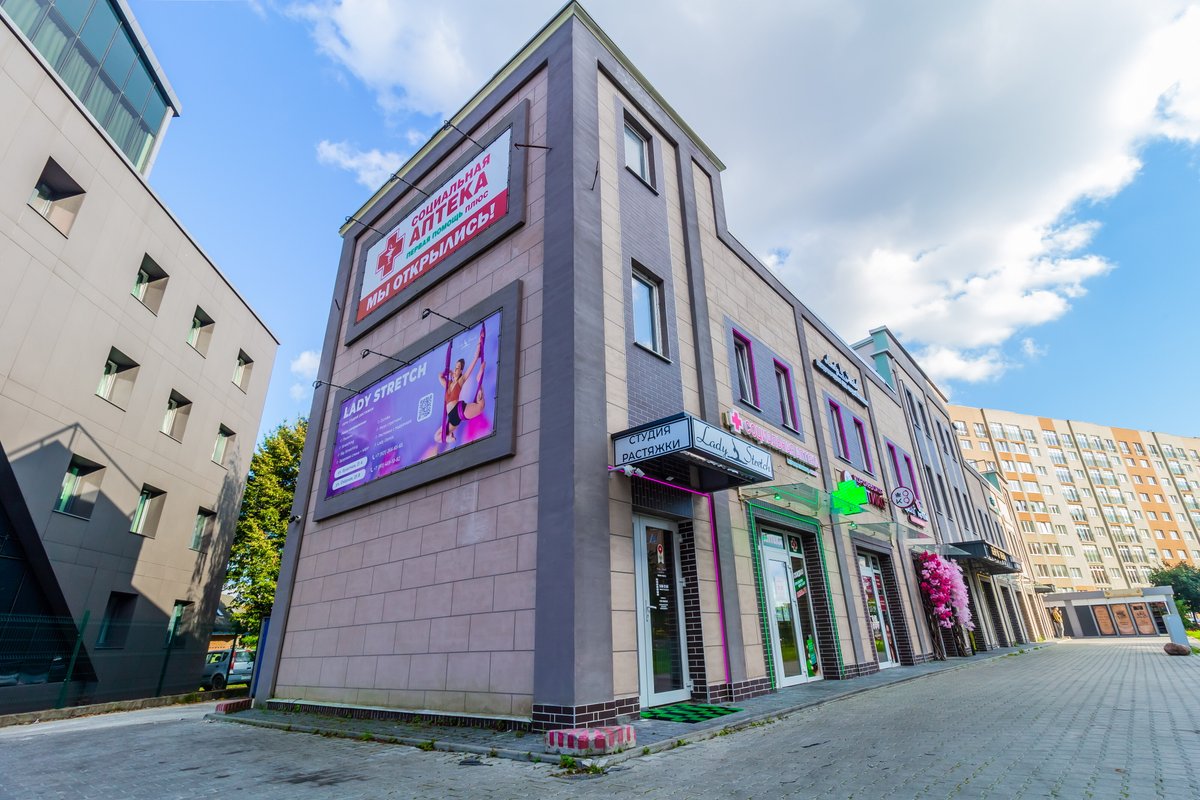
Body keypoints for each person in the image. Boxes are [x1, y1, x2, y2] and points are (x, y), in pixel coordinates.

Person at [436, 326, 487, 444]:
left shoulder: (461, 380)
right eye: (455, 367)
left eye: (458, 368)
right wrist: (447, 371)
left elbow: (472, 363)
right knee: (436, 437)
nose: (455, 369)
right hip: (452, 417)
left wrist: (478, 349)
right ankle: (448, 438)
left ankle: (479, 380)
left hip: (458, 411)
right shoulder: (448, 384)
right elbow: (439, 376)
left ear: (460, 371)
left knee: (480, 407)